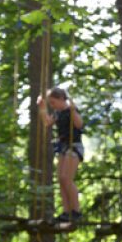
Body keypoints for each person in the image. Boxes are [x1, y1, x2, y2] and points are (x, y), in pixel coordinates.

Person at [38, 87, 85, 224]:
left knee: (66, 178)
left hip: (74, 146)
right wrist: (42, 108)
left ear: (61, 99)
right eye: (50, 104)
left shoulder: (71, 110)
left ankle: (75, 211)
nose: (52, 106)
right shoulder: (57, 113)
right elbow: (47, 122)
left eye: (53, 102)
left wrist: (72, 109)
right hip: (63, 148)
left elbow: (79, 124)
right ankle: (66, 212)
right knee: (61, 179)